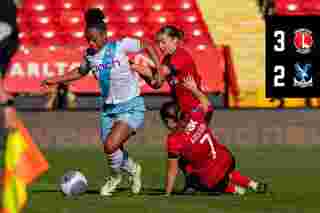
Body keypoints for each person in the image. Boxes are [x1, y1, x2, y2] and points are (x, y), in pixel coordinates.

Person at [42, 8, 160, 196]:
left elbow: (148, 45)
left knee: (110, 145)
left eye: (94, 39)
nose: (91, 42)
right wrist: (55, 79)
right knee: (112, 149)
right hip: (108, 109)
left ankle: (115, 177)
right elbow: (80, 72)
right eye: (87, 39)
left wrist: (159, 69)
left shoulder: (121, 46)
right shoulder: (89, 55)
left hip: (131, 105)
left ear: (104, 35)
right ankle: (133, 169)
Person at [160, 76, 268, 196]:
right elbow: (208, 105)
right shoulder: (195, 116)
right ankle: (253, 184)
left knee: (204, 179)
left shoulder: (174, 140)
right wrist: (195, 89)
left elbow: (172, 170)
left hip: (211, 174)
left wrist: (167, 194)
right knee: (223, 171)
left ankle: (235, 190)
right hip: (226, 158)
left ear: (169, 120)